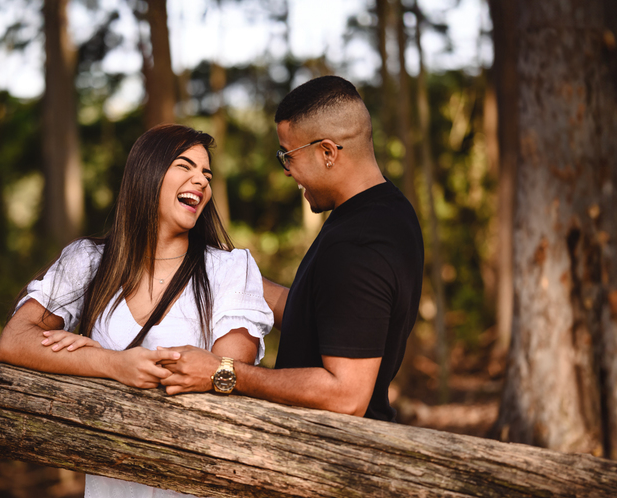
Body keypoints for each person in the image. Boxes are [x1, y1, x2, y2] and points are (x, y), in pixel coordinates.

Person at [0, 124, 272, 498]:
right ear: (147, 173)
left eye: (206, 173)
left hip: (194, 489)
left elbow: (225, 367)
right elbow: (14, 341)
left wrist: (82, 352)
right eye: (185, 166)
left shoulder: (229, 269)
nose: (201, 181)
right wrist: (111, 362)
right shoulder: (88, 261)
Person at [158, 75, 423, 421]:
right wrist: (229, 272)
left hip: (329, 461)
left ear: (327, 152)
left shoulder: (359, 245)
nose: (286, 170)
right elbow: (320, 314)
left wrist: (222, 371)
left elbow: (346, 395)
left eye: (288, 155)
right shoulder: (386, 212)